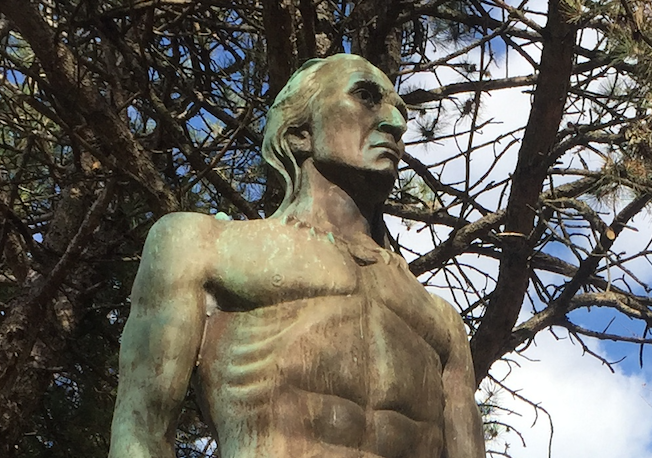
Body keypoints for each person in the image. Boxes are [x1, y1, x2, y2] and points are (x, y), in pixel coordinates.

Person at [109, 54, 484, 458]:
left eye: (400, 111)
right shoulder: (202, 246)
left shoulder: (443, 322)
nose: (394, 122)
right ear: (300, 132)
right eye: (365, 96)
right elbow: (141, 432)